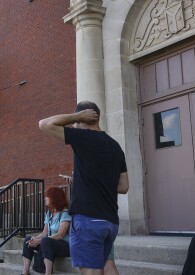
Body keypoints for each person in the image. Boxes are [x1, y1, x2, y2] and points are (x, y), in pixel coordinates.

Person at [39, 101, 129, 275]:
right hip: (110, 222)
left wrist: (76, 117)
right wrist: (94, 181)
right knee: (107, 265)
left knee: (91, 271)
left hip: (88, 220)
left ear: (85, 117)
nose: (74, 125)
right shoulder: (116, 147)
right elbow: (124, 186)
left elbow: (44, 124)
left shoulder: (83, 137)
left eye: (76, 121)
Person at [21, 187, 71, 275]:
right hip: (49, 244)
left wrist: (40, 241)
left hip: (65, 246)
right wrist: (34, 240)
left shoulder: (65, 213)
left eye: (47, 196)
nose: (45, 198)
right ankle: (25, 272)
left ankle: (48, 273)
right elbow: (44, 232)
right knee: (28, 240)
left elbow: (60, 235)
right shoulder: (49, 213)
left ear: (55, 198)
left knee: (45, 241)